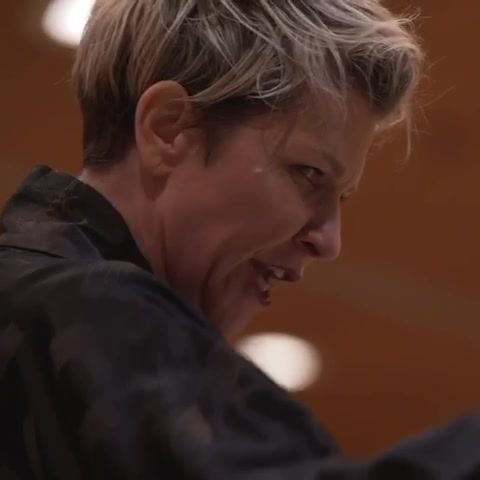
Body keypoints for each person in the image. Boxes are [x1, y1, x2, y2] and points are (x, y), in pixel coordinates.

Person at [1, 0, 479, 478]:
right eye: (308, 172)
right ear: (168, 129)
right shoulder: (80, 308)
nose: (329, 241)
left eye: (341, 197)